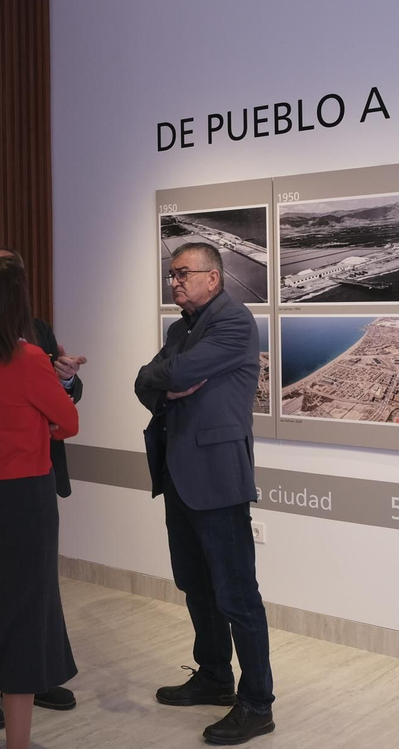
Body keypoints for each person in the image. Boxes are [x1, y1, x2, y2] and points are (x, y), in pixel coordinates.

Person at [134, 242, 276, 745]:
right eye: (171, 274)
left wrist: (168, 380)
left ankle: (257, 703)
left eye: (182, 273)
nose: (174, 282)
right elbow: (144, 382)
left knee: (237, 594)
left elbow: (172, 373)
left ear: (213, 278)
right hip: (178, 473)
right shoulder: (180, 329)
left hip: (217, 476)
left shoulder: (234, 323)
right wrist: (166, 385)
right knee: (196, 584)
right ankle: (215, 676)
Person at [0, 247, 86, 730]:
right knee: (25, 612)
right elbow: (67, 422)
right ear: (14, 301)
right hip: (23, 496)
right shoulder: (28, 358)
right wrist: (38, 430)